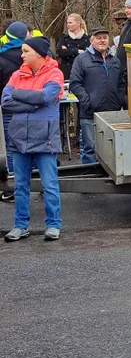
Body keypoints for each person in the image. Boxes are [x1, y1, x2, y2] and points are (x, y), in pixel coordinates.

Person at [2, 36, 64, 242]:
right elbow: (5, 102)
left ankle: (53, 224)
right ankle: (20, 225)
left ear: (39, 53)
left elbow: (45, 97)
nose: (22, 55)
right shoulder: (16, 74)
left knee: (49, 184)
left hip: (45, 137)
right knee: (20, 185)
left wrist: (19, 95)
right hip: (19, 137)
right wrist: (32, 103)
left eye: (26, 51)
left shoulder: (55, 74)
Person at [69, 27, 125, 164]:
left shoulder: (115, 60)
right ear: (91, 40)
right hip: (90, 114)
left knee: (112, 149)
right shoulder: (82, 60)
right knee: (90, 149)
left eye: (105, 38)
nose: (102, 41)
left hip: (112, 113)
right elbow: (75, 84)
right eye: (98, 38)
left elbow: (121, 83)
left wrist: (120, 99)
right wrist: (86, 100)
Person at [0, 22, 29, 201]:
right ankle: (37, 181)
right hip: (32, 106)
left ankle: (13, 186)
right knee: (34, 143)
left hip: (10, 107)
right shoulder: (32, 55)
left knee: (13, 146)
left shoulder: (2, 57)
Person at [55, 13, 90, 80]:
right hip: (67, 73)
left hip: (83, 72)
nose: (68, 25)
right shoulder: (64, 39)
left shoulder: (87, 39)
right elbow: (60, 52)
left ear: (78, 23)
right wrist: (77, 51)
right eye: (67, 23)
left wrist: (68, 51)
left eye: (70, 23)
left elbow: (87, 54)